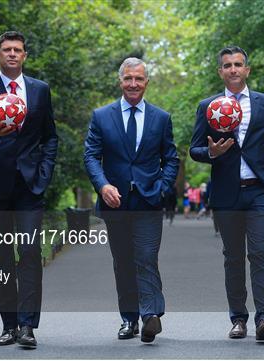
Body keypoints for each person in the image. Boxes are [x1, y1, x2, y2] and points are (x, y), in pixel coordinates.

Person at [190, 46, 264, 342]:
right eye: (227, 65)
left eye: (239, 64)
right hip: (227, 195)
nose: (233, 69)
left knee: (260, 253)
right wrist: (211, 152)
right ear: (220, 72)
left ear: (247, 70)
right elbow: (194, 149)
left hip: (260, 192)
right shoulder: (208, 106)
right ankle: (238, 318)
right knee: (233, 258)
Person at [0, 31, 58, 348]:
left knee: (31, 252)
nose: (11, 54)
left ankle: (27, 326)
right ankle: (9, 324)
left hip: (29, 188)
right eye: (6, 49)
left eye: (17, 49)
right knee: (2, 257)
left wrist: (44, 172)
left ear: (24, 56)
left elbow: (50, 136)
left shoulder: (40, 91)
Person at [84, 57, 179, 343]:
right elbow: (91, 156)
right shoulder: (101, 116)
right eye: (128, 79)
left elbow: (171, 158)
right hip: (116, 204)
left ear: (147, 82)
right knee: (123, 262)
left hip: (149, 202)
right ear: (120, 81)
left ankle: (151, 315)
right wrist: (103, 186)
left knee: (146, 257)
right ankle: (129, 319)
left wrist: (162, 186)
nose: (133, 84)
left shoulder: (161, 118)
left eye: (138, 79)